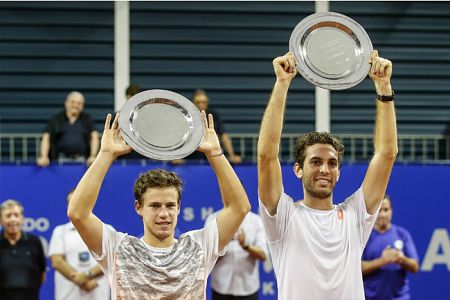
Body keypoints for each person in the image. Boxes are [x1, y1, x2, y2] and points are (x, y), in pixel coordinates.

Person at [257, 50, 398, 299]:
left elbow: (386, 154)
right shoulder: (283, 217)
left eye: (332, 163)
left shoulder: (356, 216)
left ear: (339, 173)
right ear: (298, 170)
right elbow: (267, 155)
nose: (325, 169)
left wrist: (383, 87)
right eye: (316, 162)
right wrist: (281, 84)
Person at [67, 111, 251, 299]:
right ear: (138, 207)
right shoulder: (118, 249)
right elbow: (78, 213)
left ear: (178, 207)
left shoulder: (199, 246)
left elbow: (240, 208)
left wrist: (215, 154)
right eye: (155, 206)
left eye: (170, 205)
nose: (164, 214)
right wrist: (105, 155)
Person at [48, 190, 110, 300]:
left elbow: (111, 259)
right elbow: (57, 261)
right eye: (72, 202)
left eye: (80, 201)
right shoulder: (60, 231)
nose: (76, 205)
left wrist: (85, 275)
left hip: (99, 295)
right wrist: (79, 280)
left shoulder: (107, 230)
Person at [362, 195, 419, 300]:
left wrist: (401, 259)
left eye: (386, 210)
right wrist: (382, 261)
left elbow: (415, 266)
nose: (383, 214)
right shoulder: (364, 236)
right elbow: (356, 269)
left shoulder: (402, 234)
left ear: (391, 211)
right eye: (379, 210)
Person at [205, 210, 268, 300]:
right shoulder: (213, 220)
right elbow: (207, 258)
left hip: (248, 288)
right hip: (220, 287)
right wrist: (224, 242)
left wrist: (246, 246)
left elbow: (263, 255)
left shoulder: (256, 220)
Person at [37, 91, 99, 167]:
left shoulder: (87, 119)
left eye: (79, 103)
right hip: (59, 162)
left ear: (82, 106)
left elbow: (94, 136)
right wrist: (44, 156)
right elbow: (46, 137)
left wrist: (93, 156)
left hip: (83, 162)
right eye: (73, 102)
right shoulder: (56, 119)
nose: (76, 105)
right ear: (66, 103)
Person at [0, 199, 46, 300]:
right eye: (8, 216)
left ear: (22, 218)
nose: (13, 220)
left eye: (16, 215)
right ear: (1, 220)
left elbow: (42, 273)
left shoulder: (35, 241)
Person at [180, 90, 241, 164]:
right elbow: (180, 138)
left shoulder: (213, 116)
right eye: (198, 102)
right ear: (193, 103)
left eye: (204, 102)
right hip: (191, 160)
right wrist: (177, 157)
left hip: (211, 158)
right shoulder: (186, 117)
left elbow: (224, 136)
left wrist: (232, 155)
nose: (201, 104)